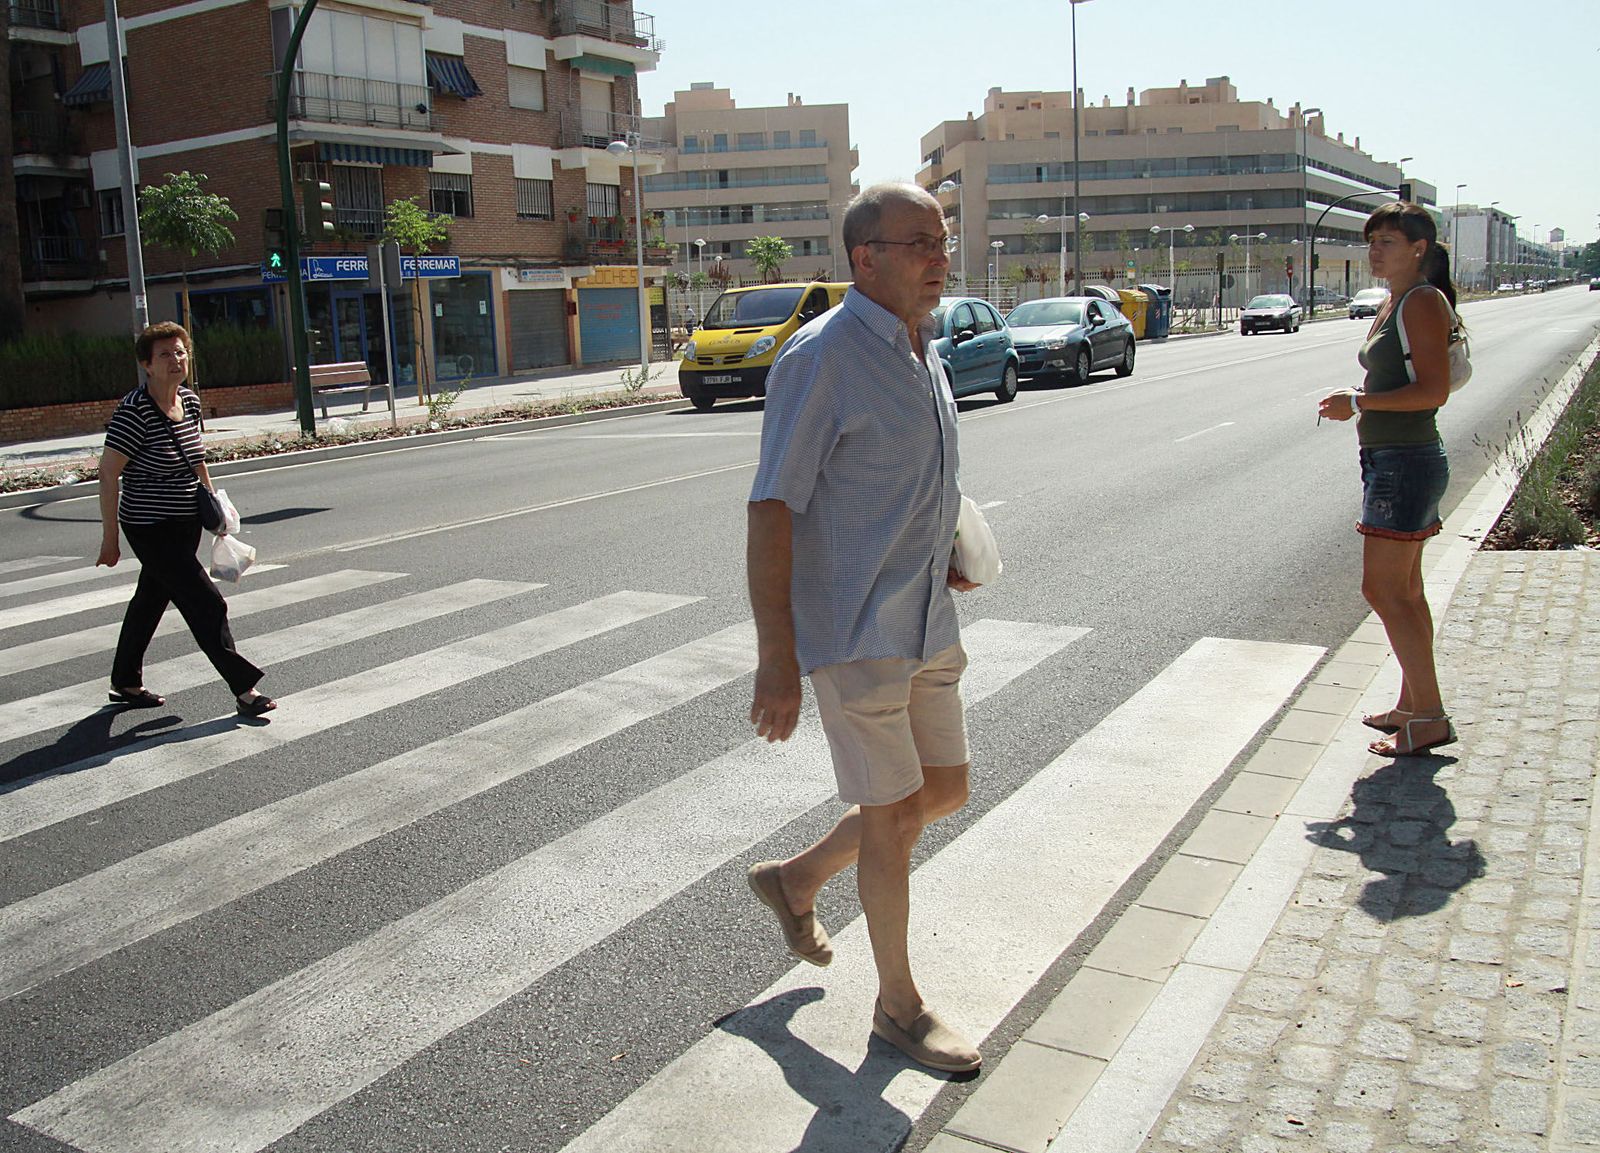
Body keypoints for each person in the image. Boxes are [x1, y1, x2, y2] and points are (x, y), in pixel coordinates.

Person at [745, 183, 982, 1074]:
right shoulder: (824, 358)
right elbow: (772, 509)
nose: (938, 256)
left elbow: (919, 475)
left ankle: (797, 878)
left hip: (928, 611)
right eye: (918, 242)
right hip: (855, 628)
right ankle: (899, 1008)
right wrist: (779, 656)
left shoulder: (927, 349)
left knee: (943, 789)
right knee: (893, 819)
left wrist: (947, 543)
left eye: (942, 240)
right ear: (864, 257)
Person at [1319, 202, 1458, 757]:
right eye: (1372, 240)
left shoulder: (1423, 302)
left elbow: (1433, 391)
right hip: (1394, 458)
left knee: (1381, 589)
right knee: (1406, 592)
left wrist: (1358, 401)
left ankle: (1428, 716)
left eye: (1388, 242)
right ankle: (1413, 703)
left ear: (1419, 248)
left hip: (1405, 461)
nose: (1376, 250)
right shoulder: (1398, 300)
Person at [96, 321, 276, 717]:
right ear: (146, 364)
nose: (176, 360)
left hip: (184, 521)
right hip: (148, 525)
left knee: (151, 598)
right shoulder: (134, 412)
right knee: (205, 603)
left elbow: (196, 460)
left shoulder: (189, 402)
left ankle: (124, 680)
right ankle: (244, 689)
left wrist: (216, 508)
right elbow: (109, 473)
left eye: (181, 352)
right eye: (165, 354)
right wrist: (111, 539)